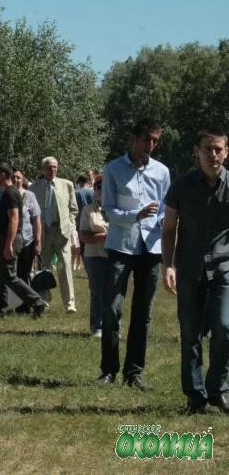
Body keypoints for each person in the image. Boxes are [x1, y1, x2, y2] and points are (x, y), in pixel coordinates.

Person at [98, 119, 170, 389]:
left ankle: (134, 372)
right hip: (121, 246)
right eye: (146, 139)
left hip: (150, 248)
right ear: (133, 139)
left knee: (143, 312)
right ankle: (108, 370)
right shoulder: (114, 169)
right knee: (112, 309)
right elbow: (109, 209)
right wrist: (134, 215)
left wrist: (166, 224)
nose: (150, 145)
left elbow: (165, 209)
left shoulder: (162, 172)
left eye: (155, 141)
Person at [162, 129, 229, 413]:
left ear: (226, 152)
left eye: (217, 149)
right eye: (207, 149)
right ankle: (195, 396)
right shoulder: (181, 186)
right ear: (196, 151)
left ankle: (219, 389)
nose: (212, 155)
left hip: (225, 268)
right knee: (190, 335)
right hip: (189, 269)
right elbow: (168, 229)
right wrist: (168, 264)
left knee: (225, 327)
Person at [0, 164, 49, 319]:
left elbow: (14, 218)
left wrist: (9, 243)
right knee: (1, 276)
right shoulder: (8, 193)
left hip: (10, 239)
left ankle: (38, 302)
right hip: (6, 239)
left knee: (10, 276)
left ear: (3, 175)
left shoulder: (10, 193)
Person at [30, 157, 78, 313]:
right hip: (43, 231)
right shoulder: (34, 188)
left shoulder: (67, 185)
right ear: (43, 169)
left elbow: (73, 209)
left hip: (61, 231)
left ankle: (70, 304)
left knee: (65, 267)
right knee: (44, 267)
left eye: (55, 167)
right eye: (49, 167)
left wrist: (70, 226)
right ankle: (43, 302)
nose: (53, 170)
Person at [78, 175, 108, 338]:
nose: (100, 191)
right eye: (98, 188)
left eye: (104, 188)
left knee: (114, 293)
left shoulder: (116, 209)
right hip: (94, 256)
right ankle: (97, 326)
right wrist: (103, 237)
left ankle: (112, 325)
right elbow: (83, 236)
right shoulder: (88, 210)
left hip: (115, 256)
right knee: (97, 293)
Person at [11, 168, 42, 314]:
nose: (16, 180)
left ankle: (26, 304)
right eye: (13, 177)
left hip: (27, 240)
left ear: (23, 179)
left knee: (24, 273)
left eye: (18, 177)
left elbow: (36, 220)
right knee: (11, 274)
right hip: (9, 241)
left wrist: (38, 241)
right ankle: (10, 303)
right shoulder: (3, 195)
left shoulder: (30, 196)